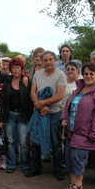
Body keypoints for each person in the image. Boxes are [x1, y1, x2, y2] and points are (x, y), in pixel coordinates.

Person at [61, 63, 95, 189]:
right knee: (69, 157)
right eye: (86, 73)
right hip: (72, 131)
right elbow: (68, 105)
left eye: (91, 74)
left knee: (78, 157)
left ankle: (79, 184)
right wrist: (64, 118)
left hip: (85, 132)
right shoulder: (78, 89)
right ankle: (72, 182)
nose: (88, 76)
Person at [27, 51, 67, 180]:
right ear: (42, 61)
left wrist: (41, 104)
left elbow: (60, 95)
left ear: (55, 60)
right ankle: (36, 168)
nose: (48, 62)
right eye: (45, 60)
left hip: (54, 113)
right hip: (39, 112)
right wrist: (39, 105)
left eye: (50, 59)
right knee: (35, 141)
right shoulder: (38, 74)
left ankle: (58, 169)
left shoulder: (61, 75)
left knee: (55, 142)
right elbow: (33, 91)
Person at [0, 58, 33, 174]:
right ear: (11, 69)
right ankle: (11, 164)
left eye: (18, 67)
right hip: (10, 115)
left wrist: (26, 76)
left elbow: (31, 100)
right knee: (11, 141)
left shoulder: (27, 82)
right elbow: (2, 101)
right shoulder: (7, 82)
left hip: (23, 116)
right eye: (14, 68)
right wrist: (1, 119)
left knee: (23, 142)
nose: (16, 70)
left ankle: (25, 164)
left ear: (22, 69)